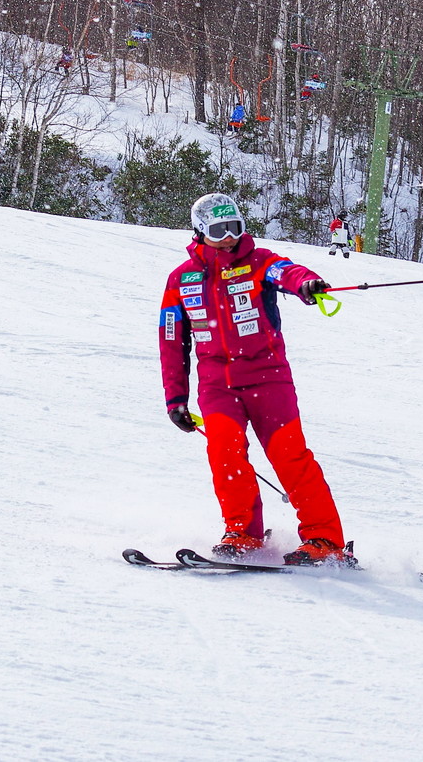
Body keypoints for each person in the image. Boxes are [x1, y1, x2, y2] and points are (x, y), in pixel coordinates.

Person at [158, 193, 353, 566]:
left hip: (268, 380)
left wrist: (308, 284)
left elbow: (289, 272)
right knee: (225, 455)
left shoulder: (259, 263)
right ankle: (242, 532)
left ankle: (324, 538)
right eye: (219, 230)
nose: (229, 237)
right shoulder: (181, 280)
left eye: (235, 228)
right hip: (217, 386)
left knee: (289, 455)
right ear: (200, 232)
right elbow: (171, 341)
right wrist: (175, 399)